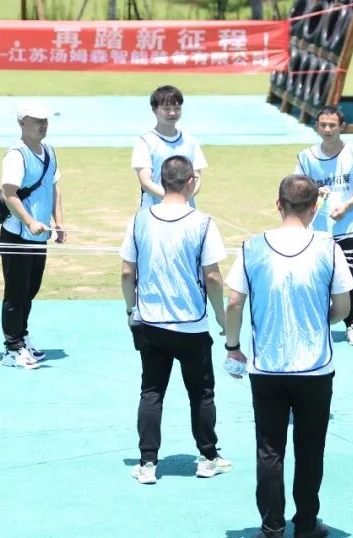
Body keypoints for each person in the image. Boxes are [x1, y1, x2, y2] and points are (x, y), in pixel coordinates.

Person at [223, 174, 353, 538]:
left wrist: (233, 347)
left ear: (278, 204)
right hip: (315, 368)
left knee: (270, 449)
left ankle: (272, 526)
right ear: (315, 207)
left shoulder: (252, 247)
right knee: (310, 448)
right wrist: (320, 319)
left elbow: (234, 303)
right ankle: (306, 523)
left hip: (267, 368)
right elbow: (343, 307)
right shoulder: (329, 247)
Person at [120, 155, 232, 485]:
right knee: (202, 393)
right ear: (191, 182)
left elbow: (127, 272)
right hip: (191, 324)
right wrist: (221, 316)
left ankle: (147, 463)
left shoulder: (139, 220)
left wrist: (131, 310)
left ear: (161, 181)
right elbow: (213, 276)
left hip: (151, 323)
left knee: (151, 392)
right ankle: (208, 457)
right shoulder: (203, 222)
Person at [293, 105, 353, 346]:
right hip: (316, 232)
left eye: (332, 125)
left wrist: (347, 206)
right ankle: (318, 324)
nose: (328, 129)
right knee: (317, 279)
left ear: (342, 127)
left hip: (349, 229)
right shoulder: (306, 157)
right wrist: (314, 192)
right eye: (323, 125)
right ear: (316, 127)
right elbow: (297, 188)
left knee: (350, 279)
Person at [0, 101, 66, 370]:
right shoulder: (16, 155)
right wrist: (29, 221)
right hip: (17, 236)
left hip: (39, 236)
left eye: (45, 120)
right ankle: (12, 348)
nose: (43, 125)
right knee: (16, 294)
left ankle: (22, 337)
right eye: (37, 120)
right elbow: (9, 194)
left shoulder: (49, 151)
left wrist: (59, 223)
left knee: (30, 289)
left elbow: (54, 189)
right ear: (22, 123)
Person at [132, 85, 209, 209]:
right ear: (154, 109)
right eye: (166, 109)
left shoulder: (190, 140)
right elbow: (146, 182)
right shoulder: (145, 142)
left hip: (185, 210)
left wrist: (184, 199)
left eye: (177, 108)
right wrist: (173, 200)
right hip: (154, 212)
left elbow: (197, 178)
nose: (172, 113)